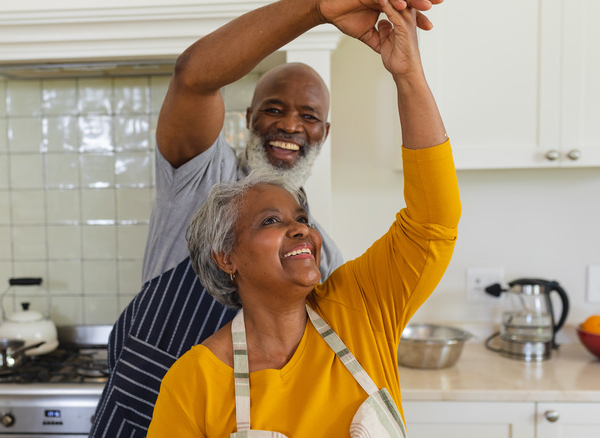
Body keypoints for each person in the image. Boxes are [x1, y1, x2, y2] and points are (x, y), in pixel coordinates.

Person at [89, 0, 443, 435]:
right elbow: (193, 78)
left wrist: (408, 74)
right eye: (275, 109)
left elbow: (431, 224)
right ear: (249, 119)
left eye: (309, 116)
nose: (291, 125)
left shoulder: (317, 252)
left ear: (324, 132)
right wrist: (318, 7)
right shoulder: (202, 179)